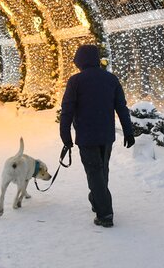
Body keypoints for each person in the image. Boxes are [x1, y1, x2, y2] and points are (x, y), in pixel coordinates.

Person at [59, 44, 134, 228]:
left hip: (87, 135)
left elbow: (67, 111)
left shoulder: (75, 81)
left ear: (81, 61)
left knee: (94, 173)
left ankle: (105, 214)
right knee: (102, 170)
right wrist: (128, 131)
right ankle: (96, 199)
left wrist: (65, 136)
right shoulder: (111, 79)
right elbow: (121, 108)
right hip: (106, 135)